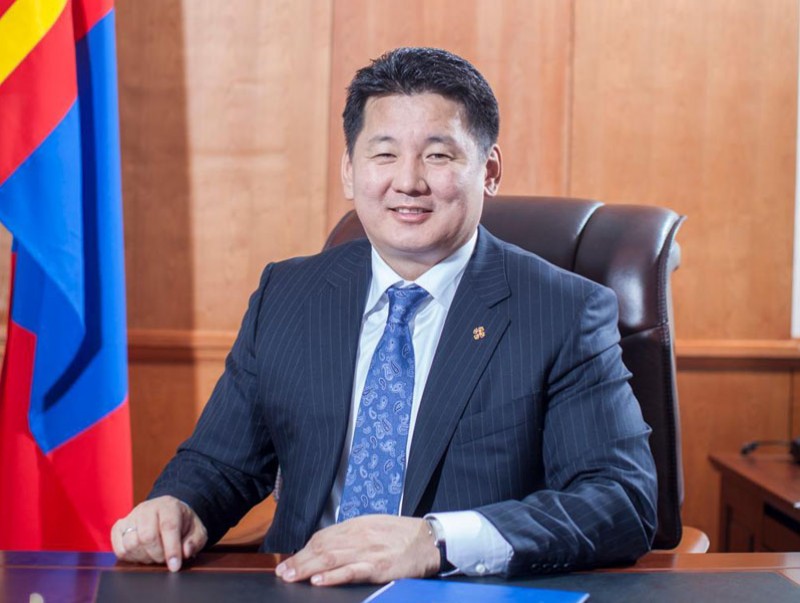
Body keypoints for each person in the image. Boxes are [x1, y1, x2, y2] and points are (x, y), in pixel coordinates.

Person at [112, 47, 658, 585]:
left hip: (460, 590)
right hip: (302, 585)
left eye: (438, 156)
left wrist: (437, 541)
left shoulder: (562, 312)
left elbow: (620, 500)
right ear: (350, 172)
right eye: (384, 154)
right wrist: (178, 504)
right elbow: (221, 464)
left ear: (489, 171)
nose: (408, 182)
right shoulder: (289, 294)